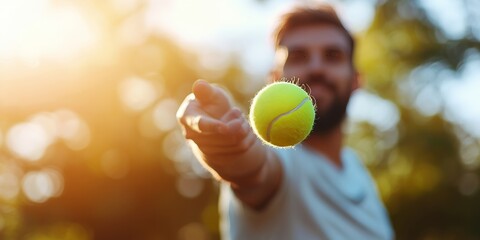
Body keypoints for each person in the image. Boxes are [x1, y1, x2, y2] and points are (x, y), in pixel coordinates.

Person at [176, 3, 394, 240]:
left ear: (356, 81)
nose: (316, 67)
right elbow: (256, 171)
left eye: (333, 56)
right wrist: (232, 151)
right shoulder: (280, 162)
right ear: (275, 79)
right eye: (299, 56)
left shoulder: (358, 170)